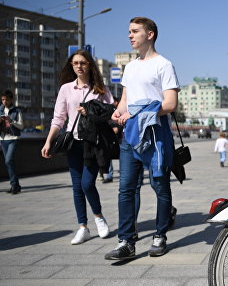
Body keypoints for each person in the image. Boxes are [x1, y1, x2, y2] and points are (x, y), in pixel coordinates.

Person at [105, 17, 180, 260]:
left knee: (160, 185)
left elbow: (170, 104)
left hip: (156, 134)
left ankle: (160, 235)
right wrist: (118, 110)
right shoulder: (131, 67)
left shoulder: (164, 65)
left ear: (150, 34)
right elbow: (125, 99)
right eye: (129, 31)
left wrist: (137, 112)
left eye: (135, 31)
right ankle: (126, 241)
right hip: (131, 136)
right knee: (126, 188)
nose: (130, 35)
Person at [41, 49, 113, 244]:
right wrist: (48, 142)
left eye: (83, 63)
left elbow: (111, 113)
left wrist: (90, 111)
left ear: (89, 65)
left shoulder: (101, 89)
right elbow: (59, 118)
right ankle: (83, 227)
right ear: (71, 66)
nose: (79, 66)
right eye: (76, 63)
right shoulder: (66, 89)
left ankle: (98, 217)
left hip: (93, 143)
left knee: (87, 183)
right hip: (74, 143)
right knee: (76, 187)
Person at [1, 90, 24, 195]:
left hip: (13, 139)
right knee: (9, 162)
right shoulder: (0, 110)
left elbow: (21, 126)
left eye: (6, 99)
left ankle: (14, 185)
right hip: (2, 139)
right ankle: (16, 185)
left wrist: (12, 121)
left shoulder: (17, 111)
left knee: (8, 160)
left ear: (11, 100)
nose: (4, 101)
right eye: (2, 99)